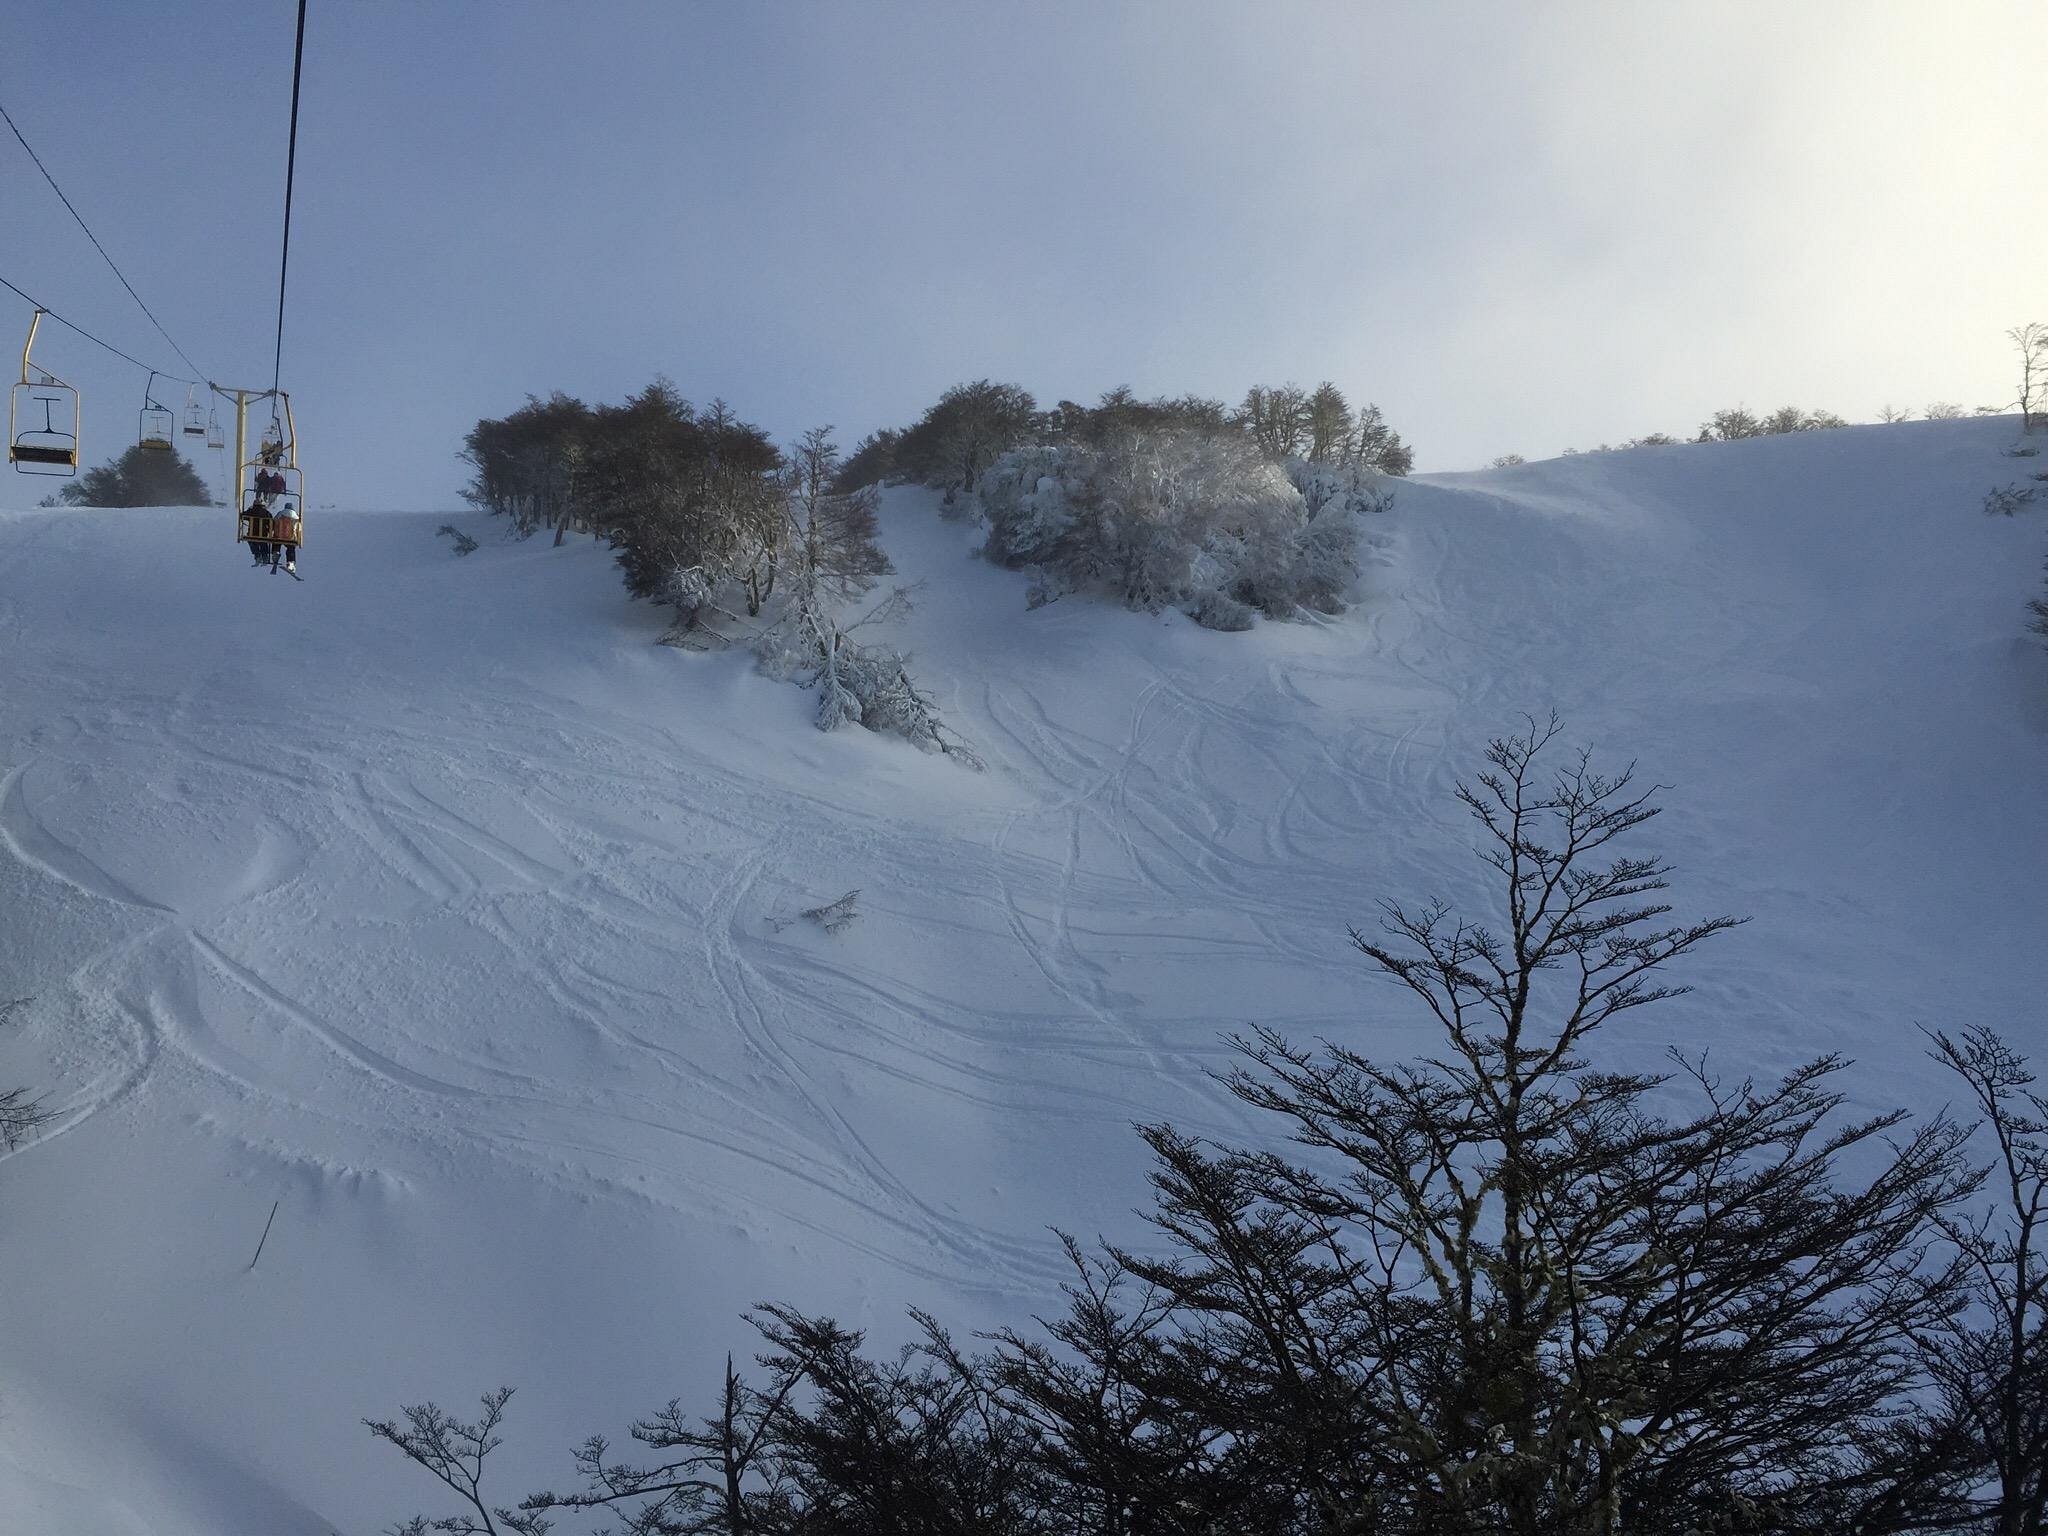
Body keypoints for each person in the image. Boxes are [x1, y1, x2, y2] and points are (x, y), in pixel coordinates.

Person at [270, 498, 300, 574]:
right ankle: (290, 562)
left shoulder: (280, 513)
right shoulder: (296, 516)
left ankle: (275, 552)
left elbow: (274, 521)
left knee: (276, 542)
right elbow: (298, 527)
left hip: (278, 535)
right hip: (290, 537)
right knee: (291, 548)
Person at [247, 495, 272, 566]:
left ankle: (257, 555)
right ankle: (265, 557)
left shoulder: (251, 511)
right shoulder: (266, 512)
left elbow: (243, 516)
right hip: (263, 533)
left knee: (251, 541)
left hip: (252, 533)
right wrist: (270, 530)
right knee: (263, 542)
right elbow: (271, 522)